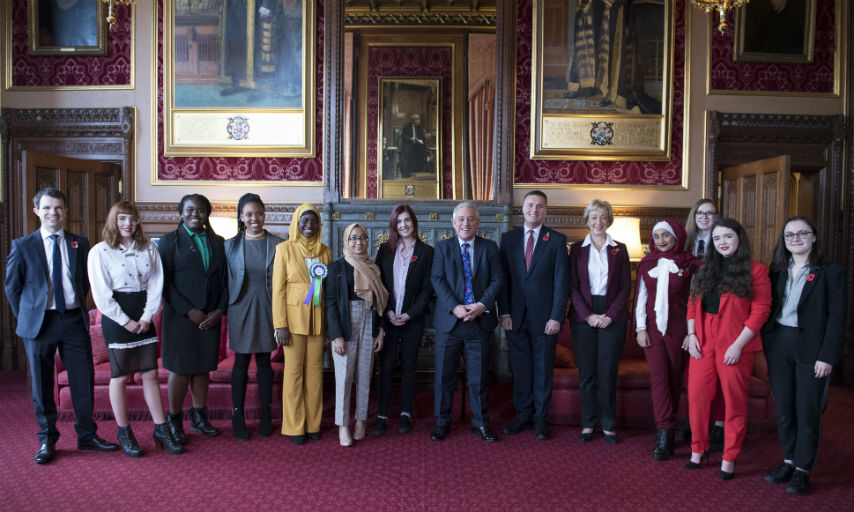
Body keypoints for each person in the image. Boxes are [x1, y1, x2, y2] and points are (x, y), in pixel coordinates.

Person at [5, 187, 119, 464]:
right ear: (37, 212)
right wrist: (27, 317)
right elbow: (12, 288)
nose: (52, 213)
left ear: (65, 211)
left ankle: (87, 435)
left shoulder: (78, 243)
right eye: (46, 208)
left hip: (72, 320)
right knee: (42, 383)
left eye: (58, 207)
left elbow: (82, 284)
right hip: (40, 323)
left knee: (83, 379)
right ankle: (46, 438)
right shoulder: (23, 245)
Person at [87, 201, 183, 457]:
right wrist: (126, 321)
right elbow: (101, 296)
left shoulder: (148, 247)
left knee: (150, 374)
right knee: (120, 376)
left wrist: (147, 316)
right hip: (117, 316)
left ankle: (161, 429)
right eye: (122, 218)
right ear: (113, 220)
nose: (128, 224)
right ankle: (124, 430)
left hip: (144, 315)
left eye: (132, 219)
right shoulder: (100, 251)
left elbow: (155, 283)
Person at [762, 217, 846, 495]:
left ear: (813, 237)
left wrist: (828, 356)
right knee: (784, 409)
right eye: (789, 235)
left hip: (812, 348)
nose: (795, 238)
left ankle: (802, 469)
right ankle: (788, 461)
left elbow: (837, 318)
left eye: (802, 233)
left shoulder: (830, 272)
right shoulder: (777, 271)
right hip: (779, 344)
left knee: (807, 410)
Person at [683, 217, 772, 480]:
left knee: (734, 402)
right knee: (697, 397)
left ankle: (729, 457)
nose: (722, 242)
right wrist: (691, 334)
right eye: (717, 238)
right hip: (702, 339)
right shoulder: (705, 269)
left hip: (735, 342)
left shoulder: (756, 271)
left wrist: (737, 345)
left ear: (739, 239)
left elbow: (760, 312)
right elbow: (691, 304)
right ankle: (698, 450)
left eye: (728, 237)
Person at [430, 202, 503, 442]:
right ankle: (442, 423)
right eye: (461, 219)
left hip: (479, 323)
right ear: (453, 222)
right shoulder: (442, 248)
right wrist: (455, 307)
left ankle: (481, 423)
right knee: (443, 377)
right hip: (450, 322)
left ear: (478, 222)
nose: (465, 223)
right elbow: (437, 279)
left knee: (479, 378)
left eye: (470, 219)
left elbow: (497, 280)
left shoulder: (490, 247)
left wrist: (482, 305)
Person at [498, 190, 569, 441]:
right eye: (530, 205)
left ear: (545, 211)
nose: (534, 210)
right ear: (522, 208)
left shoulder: (557, 240)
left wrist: (556, 317)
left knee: (542, 370)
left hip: (545, 320)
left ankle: (541, 418)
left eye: (540, 207)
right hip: (514, 317)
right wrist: (504, 311)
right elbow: (502, 280)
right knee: (520, 369)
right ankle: (523, 415)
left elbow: (562, 283)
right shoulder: (508, 239)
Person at [158, 194, 228, 444]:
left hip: (211, 316)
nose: (195, 214)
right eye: (190, 210)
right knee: (180, 369)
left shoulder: (218, 242)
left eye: (200, 210)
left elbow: (223, 280)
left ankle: (199, 418)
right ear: (181, 212)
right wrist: (189, 310)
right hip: (181, 317)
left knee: (202, 367)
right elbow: (163, 284)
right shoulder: (168, 242)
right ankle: (174, 420)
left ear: (207, 213)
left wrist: (219, 310)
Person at [634, 219, 700, 460]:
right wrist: (640, 328)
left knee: (674, 378)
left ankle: (670, 426)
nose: (660, 240)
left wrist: (691, 333)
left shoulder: (689, 264)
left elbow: (695, 300)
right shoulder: (646, 263)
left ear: (676, 237)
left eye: (666, 235)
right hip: (652, 330)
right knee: (659, 378)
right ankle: (664, 431)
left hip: (679, 330)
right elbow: (640, 296)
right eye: (657, 236)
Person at [568, 198, 630, 444]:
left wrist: (610, 315)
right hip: (583, 313)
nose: (599, 222)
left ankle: (608, 424)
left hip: (612, 314)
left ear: (609, 220)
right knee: (586, 373)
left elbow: (626, 287)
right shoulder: (576, 249)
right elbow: (572, 287)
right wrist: (588, 315)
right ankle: (587, 423)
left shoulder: (620, 249)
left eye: (603, 217)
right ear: (587, 220)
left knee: (607, 372)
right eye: (594, 217)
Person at [224, 193, 284, 441]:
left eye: (258, 213)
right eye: (249, 214)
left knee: (263, 363)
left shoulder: (278, 244)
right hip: (240, 308)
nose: (254, 218)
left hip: (267, 308)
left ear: (264, 214)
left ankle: (265, 414)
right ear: (241, 217)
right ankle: (237, 416)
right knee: (240, 363)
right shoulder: (229, 245)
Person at [372, 205, 434, 437]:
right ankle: (382, 415)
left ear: (414, 222)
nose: (404, 225)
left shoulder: (427, 252)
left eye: (407, 220)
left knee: (409, 366)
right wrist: (387, 312)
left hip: (413, 319)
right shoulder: (385, 250)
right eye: (399, 221)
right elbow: (379, 285)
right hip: (387, 319)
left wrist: (409, 314)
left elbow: (428, 290)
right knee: (386, 367)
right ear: (394, 225)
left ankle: (406, 413)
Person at [272, 203, 332, 445]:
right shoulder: (283, 249)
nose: (309, 226)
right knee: (294, 374)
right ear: (296, 224)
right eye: (304, 221)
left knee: (315, 374)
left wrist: (328, 326)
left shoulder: (325, 252)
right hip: (292, 323)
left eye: (314, 221)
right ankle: (295, 426)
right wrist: (280, 325)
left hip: (318, 321)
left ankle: (313, 424)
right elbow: (277, 290)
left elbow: (327, 290)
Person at [326, 224, 389, 446]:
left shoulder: (374, 268)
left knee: (365, 374)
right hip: (345, 324)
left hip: (369, 322)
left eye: (362, 238)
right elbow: (331, 304)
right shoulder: (336, 268)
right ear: (346, 240)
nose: (358, 242)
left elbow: (381, 303)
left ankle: (361, 420)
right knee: (343, 377)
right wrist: (336, 336)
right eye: (353, 238)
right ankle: (343, 425)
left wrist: (380, 331)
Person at [683, 198, 725, 450]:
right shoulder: (686, 243)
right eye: (700, 212)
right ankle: (694, 422)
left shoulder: (724, 242)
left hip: (714, 313)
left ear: (717, 216)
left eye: (710, 213)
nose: (705, 217)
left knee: (717, 374)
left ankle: (718, 426)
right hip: (687, 312)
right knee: (693, 375)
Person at [398, 114, 430, 178]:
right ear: (412, 120)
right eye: (417, 119)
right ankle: (409, 174)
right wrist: (410, 138)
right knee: (409, 154)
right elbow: (403, 136)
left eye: (419, 119)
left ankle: (419, 173)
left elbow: (421, 137)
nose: (419, 121)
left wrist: (425, 136)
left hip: (418, 147)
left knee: (422, 153)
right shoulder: (407, 127)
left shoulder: (421, 128)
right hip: (409, 146)